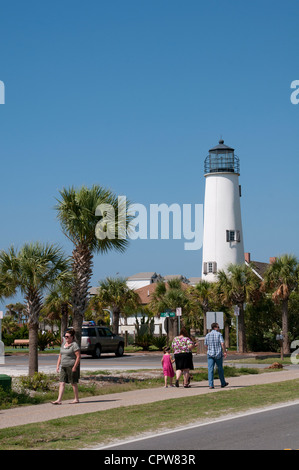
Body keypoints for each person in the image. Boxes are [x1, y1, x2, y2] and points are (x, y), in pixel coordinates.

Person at [52, 328, 81, 404]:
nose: (66, 338)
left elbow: (78, 356)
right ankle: (59, 400)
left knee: (73, 383)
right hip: (63, 366)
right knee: (61, 382)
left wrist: (75, 367)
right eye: (65, 336)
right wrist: (58, 366)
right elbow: (60, 355)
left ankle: (76, 399)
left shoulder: (74, 345)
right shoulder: (63, 345)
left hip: (71, 366)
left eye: (67, 336)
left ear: (72, 337)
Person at [204, 322, 229, 389]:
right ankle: (223, 383)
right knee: (220, 368)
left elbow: (205, 345)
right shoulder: (219, 334)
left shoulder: (207, 335)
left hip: (210, 354)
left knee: (210, 369)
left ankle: (211, 384)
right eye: (218, 327)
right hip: (218, 354)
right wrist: (225, 351)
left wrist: (209, 349)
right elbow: (222, 343)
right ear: (215, 327)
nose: (219, 328)